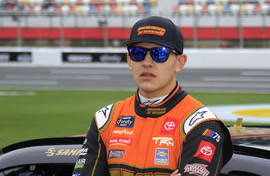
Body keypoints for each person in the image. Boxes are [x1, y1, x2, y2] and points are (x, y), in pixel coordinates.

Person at [72, 16, 232, 176]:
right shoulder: (105, 119)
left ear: (179, 63)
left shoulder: (200, 124)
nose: (147, 62)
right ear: (129, 59)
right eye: (138, 53)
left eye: (159, 53)